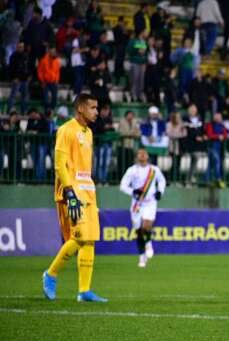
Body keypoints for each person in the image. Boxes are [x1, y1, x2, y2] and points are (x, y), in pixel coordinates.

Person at [42, 94, 108, 303]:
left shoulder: (88, 133)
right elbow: (60, 164)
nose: (96, 112)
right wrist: (69, 192)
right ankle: (50, 274)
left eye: (97, 108)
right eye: (92, 107)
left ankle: (84, 290)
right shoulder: (66, 130)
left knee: (89, 240)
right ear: (80, 108)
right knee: (78, 237)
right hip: (72, 191)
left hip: (88, 190)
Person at [119, 148, 166, 268]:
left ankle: (149, 242)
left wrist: (160, 191)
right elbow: (123, 185)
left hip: (150, 202)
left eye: (144, 154)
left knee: (147, 225)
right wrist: (132, 191)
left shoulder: (154, 170)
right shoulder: (132, 170)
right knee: (138, 230)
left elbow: (162, 181)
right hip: (137, 203)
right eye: (140, 154)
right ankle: (142, 256)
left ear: (148, 156)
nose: (142, 155)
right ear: (137, 156)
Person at [93, 103, 116, 184]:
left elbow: (113, 130)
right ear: (101, 111)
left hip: (108, 144)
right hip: (99, 144)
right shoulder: (96, 119)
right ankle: (97, 180)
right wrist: (104, 128)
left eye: (107, 110)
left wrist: (109, 127)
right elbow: (95, 129)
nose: (106, 112)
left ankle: (104, 180)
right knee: (98, 163)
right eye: (104, 110)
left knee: (106, 163)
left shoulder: (110, 120)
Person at [204, 112, 227, 187]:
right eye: (217, 117)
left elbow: (225, 134)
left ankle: (206, 180)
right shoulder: (210, 125)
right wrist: (218, 137)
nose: (219, 119)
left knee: (211, 164)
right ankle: (218, 178)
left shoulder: (222, 125)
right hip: (211, 147)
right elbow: (209, 135)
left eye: (219, 117)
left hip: (219, 147)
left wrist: (221, 136)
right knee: (217, 161)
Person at [7, 42, 31, 114]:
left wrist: (29, 76)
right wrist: (13, 78)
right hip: (16, 80)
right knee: (13, 96)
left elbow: (28, 67)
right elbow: (10, 69)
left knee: (25, 97)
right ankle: (9, 111)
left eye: (22, 47)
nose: (21, 48)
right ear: (16, 47)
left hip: (24, 80)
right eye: (19, 47)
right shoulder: (13, 56)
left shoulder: (25, 56)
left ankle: (24, 112)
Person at [126, 30, 148, 102]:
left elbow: (146, 53)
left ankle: (139, 95)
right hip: (135, 62)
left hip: (142, 63)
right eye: (145, 31)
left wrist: (145, 61)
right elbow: (129, 51)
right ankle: (133, 95)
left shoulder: (144, 41)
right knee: (134, 79)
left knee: (141, 81)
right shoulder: (133, 41)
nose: (146, 32)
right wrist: (137, 50)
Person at [37, 47, 61, 111]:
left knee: (54, 98)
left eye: (54, 52)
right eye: (53, 52)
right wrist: (42, 81)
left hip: (54, 82)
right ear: (49, 52)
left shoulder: (56, 61)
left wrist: (56, 80)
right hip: (45, 82)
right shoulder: (43, 60)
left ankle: (52, 110)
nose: (54, 53)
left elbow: (57, 71)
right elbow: (40, 71)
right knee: (45, 98)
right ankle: (46, 110)